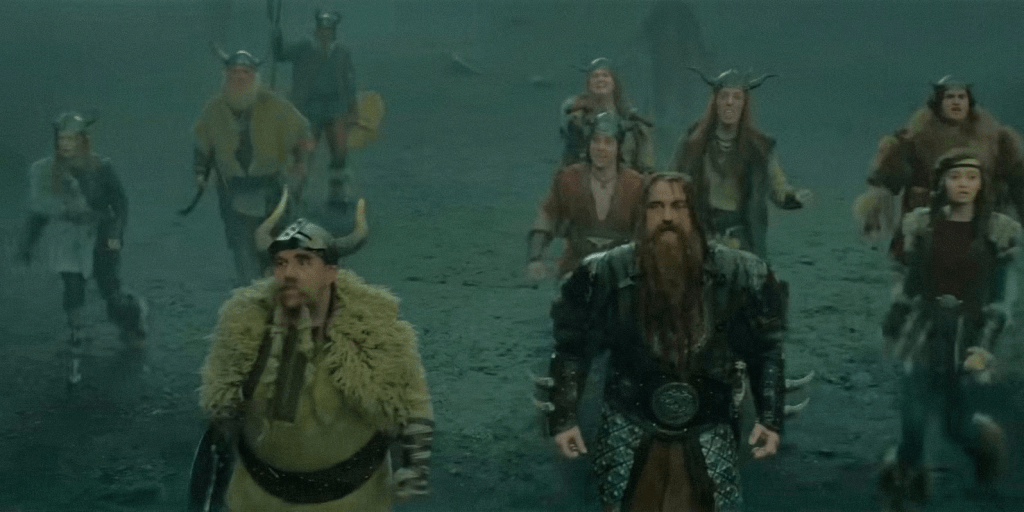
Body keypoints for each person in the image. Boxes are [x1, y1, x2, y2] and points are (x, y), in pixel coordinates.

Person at [537, 173, 786, 512]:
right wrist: (564, 417)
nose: (667, 216)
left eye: (678, 206)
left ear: (694, 215)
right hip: (629, 421)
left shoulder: (740, 274)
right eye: (656, 207)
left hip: (710, 422)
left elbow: (765, 349)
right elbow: (572, 348)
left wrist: (770, 417)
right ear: (643, 216)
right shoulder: (605, 273)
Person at [197, 209, 431, 511]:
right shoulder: (245, 327)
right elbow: (221, 409)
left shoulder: (374, 332)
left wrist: (415, 465)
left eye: (303, 261)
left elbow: (411, 402)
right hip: (259, 499)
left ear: (331, 272)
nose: (288, 273)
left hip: (353, 502)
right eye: (281, 263)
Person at [878, 148, 1018, 511]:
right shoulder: (922, 226)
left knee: (957, 425)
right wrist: (897, 316)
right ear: (942, 182)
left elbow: (1001, 298)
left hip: (966, 337)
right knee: (912, 420)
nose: (963, 184)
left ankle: (986, 446)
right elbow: (909, 282)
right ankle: (904, 484)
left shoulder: (997, 233)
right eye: (955, 177)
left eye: (971, 177)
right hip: (924, 332)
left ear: (982, 184)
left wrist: (983, 348)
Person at [17, 112, 147, 385]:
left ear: (82, 140)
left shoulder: (101, 167)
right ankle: (76, 330)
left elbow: (119, 204)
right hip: (69, 237)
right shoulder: (47, 171)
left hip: (100, 233)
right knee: (72, 284)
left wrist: (114, 235)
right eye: (62, 139)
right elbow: (39, 212)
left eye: (71, 139)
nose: (66, 144)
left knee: (109, 288)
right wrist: (27, 245)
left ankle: (132, 323)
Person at [855, 76, 1024, 251]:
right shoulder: (915, 137)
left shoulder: (994, 138)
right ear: (938, 101)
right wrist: (874, 211)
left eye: (961, 97)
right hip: (927, 223)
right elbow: (885, 182)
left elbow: (1018, 182)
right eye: (950, 97)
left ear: (969, 101)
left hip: (980, 225)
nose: (956, 102)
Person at [193, 48, 312, 284]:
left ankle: (275, 281)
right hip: (233, 189)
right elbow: (202, 144)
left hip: (270, 188)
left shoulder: (277, 106)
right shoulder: (213, 110)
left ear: (255, 76)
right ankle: (250, 289)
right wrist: (200, 172)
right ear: (226, 75)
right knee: (241, 244)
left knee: (276, 242)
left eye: (245, 72)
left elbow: (303, 132)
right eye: (234, 72)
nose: (239, 77)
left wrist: (300, 161)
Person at [670, 68, 810, 259]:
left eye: (736, 97)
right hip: (699, 233)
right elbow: (672, 182)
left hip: (743, 238)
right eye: (724, 96)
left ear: (744, 104)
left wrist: (795, 197)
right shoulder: (693, 142)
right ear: (715, 102)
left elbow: (779, 190)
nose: (730, 102)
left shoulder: (759, 147)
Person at [528, 112, 645, 280]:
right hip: (575, 268)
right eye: (595, 141)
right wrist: (535, 258)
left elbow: (648, 228)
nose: (600, 147)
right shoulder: (569, 179)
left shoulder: (636, 184)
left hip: (622, 273)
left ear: (618, 147)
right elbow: (547, 215)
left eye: (608, 142)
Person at [273, 9, 358, 210]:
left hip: (336, 107)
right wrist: (276, 36)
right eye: (322, 30)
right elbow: (280, 55)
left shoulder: (342, 52)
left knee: (339, 154)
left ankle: (337, 196)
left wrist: (352, 109)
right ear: (317, 31)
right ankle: (294, 194)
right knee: (304, 152)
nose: (325, 33)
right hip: (309, 108)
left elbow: (349, 82)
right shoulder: (303, 48)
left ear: (333, 32)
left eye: (328, 30)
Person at [561, 58, 655, 174]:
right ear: (588, 83)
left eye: (605, 75)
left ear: (614, 82)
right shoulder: (578, 121)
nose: (600, 79)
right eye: (595, 76)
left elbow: (645, 164)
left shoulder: (632, 123)